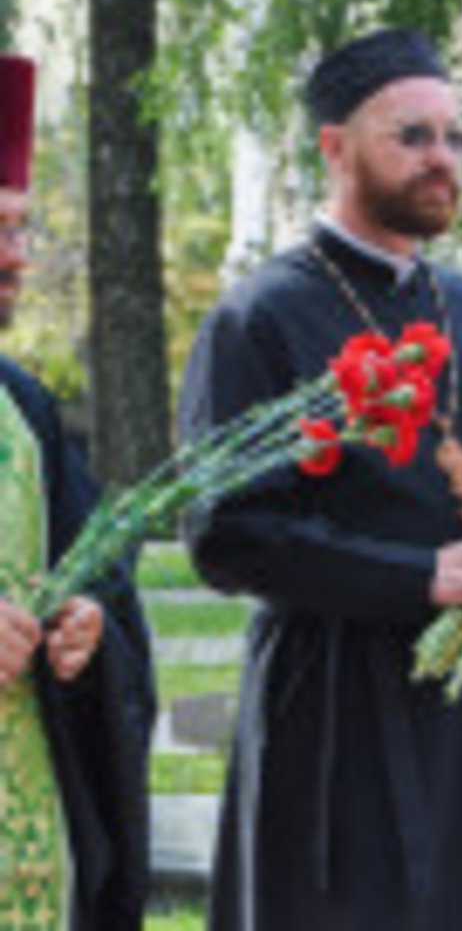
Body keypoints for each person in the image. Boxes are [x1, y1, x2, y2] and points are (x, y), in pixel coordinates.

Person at [179, 27, 462, 931]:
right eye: (413, 136)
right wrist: (420, 577)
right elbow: (227, 535)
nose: (443, 159)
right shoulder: (261, 316)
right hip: (334, 703)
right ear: (336, 148)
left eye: (455, 138)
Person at [0, 53, 155, 929]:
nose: (15, 257)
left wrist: (89, 622)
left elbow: (99, 569)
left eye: (21, 229)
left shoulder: (21, 407)